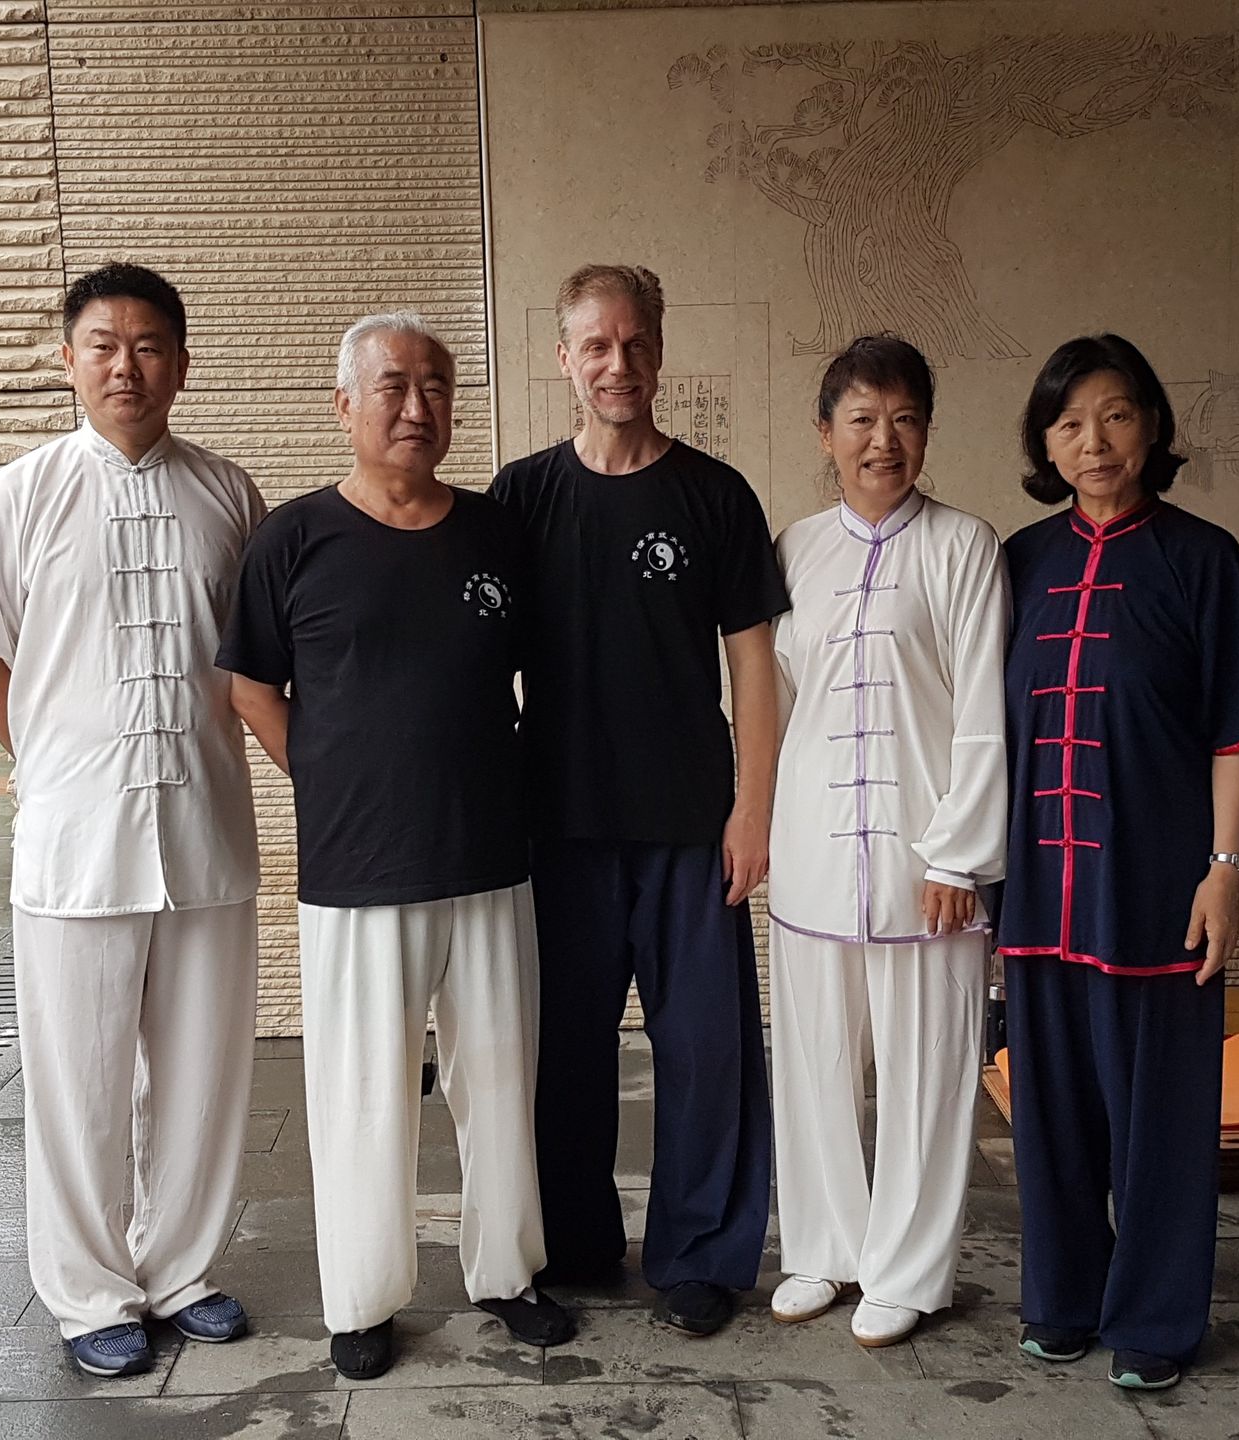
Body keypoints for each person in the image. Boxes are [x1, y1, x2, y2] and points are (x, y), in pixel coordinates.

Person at [221, 311, 572, 1381]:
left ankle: (509, 1272)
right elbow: (249, 682)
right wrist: (328, 779)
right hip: (355, 870)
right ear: (345, 405)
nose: (415, 407)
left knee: (502, 1081)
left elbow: (539, 676)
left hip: (488, 857)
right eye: (391, 387)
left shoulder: (499, 532)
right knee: (362, 1091)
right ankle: (365, 1299)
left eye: (434, 386)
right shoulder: (293, 538)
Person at [0, 263, 264, 1378]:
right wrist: (58, 764)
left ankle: (180, 1269)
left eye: (146, 345)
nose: (124, 365)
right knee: (78, 1077)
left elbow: (256, 664)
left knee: (202, 1071)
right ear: (68, 357)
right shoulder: (21, 494)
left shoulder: (230, 492)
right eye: (102, 343)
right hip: (77, 840)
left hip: (205, 829)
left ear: (180, 362)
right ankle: (90, 1290)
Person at [489, 264, 788, 1336]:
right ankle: (572, 1238)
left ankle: (702, 1254)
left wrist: (753, 810)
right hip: (558, 824)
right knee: (562, 1044)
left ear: (660, 352)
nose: (618, 364)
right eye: (595, 346)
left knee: (706, 1047)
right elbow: (474, 658)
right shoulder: (521, 499)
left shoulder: (715, 495)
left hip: (690, 823)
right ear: (564, 358)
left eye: (636, 344)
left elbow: (755, 667)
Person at [1000, 334, 1239, 1391]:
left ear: (1154, 426)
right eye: (1070, 422)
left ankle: (1157, 1322)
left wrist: (1227, 870)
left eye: (1117, 415)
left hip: (1157, 890)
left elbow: (1236, 730)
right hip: (1037, 893)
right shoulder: (1020, 561)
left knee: (1160, 1124)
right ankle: (1063, 1301)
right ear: (1044, 440)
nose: (1095, 440)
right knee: (1055, 1114)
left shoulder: (1202, 557)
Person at [765, 336, 1008, 1348]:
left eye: (904, 420)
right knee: (816, 1062)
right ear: (825, 434)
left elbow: (986, 708)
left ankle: (909, 1269)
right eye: (862, 420)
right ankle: (825, 1248)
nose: (883, 440)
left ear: (927, 431)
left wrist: (958, 855)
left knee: (929, 1070)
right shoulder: (794, 548)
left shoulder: (963, 545)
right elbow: (771, 703)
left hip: (924, 862)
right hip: (814, 853)